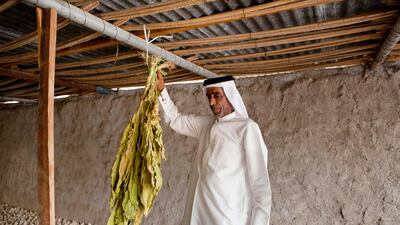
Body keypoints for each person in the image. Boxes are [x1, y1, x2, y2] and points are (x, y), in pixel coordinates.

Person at [156, 74, 271, 225]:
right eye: (209, 96)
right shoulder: (206, 125)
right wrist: (161, 90)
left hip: (229, 218)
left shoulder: (246, 128)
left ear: (229, 95)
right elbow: (176, 120)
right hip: (200, 215)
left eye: (217, 95)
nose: (211, 101)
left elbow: (260, 184)